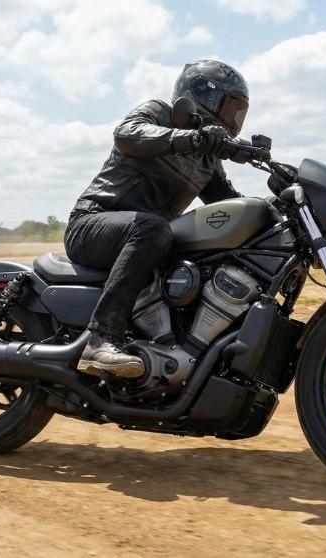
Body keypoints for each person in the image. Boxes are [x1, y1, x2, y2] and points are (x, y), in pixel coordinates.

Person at [65, 60, 250, 377]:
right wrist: (191, 139)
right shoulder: (158, 112)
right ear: (200, 95)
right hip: (92, 224)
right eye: (227, 106)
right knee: (154, 229)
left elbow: (233, 206)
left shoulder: (207, 162)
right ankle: (100, 340)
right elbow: (128, 134)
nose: (233, 118)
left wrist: (279, 206)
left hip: (144, 238)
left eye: (239, 110)